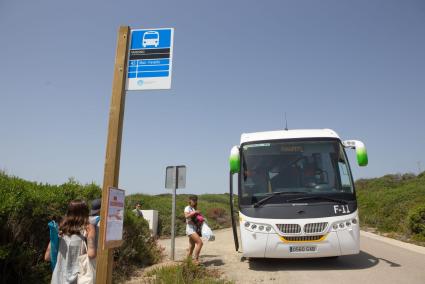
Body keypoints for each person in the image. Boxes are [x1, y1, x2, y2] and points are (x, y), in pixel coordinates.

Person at [45, 199, 97, 284]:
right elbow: (91, 254)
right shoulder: (88, 228)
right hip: (78, 278)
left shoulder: (60, 229)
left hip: (58, 279)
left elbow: (47, 257)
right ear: (85, 212)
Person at [184, 195, 203, 264]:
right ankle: (196, 260)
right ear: (190, 200)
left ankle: (188, 261)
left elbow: (194, 219)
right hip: (190, 229)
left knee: (192, 246)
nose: (195, 201)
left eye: (196, 200)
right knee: (200, 243)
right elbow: (186, 216)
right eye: (193, 200)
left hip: (194, 228)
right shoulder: (187, 208)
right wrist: (195, 212)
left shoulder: (193, 209)